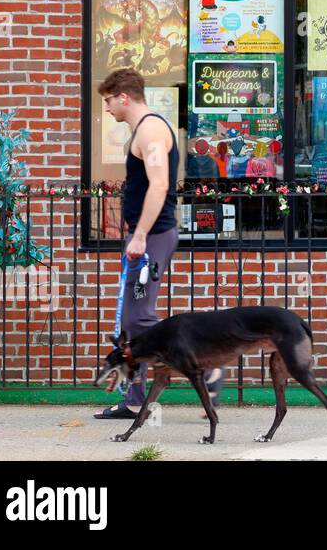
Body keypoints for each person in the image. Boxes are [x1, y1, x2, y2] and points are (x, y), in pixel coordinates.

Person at [93, 68, 223, 420]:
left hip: (151, 236)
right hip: (146, 234)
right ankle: (136, 400)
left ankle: (206, 368)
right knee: (134, 321)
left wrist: (139, 236)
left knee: (140, 319)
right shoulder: (144, 129)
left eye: (108, 100)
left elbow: (159, 185)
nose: (106, 108)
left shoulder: (150, 129)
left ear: (123, 96)